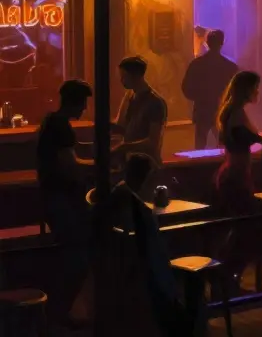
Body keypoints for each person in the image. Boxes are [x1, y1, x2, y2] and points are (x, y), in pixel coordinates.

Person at [108, 154, 190, 336]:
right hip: (145, 280)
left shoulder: (124, 197)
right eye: (153, 178)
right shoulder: (140, 212)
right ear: (145, 180)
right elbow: (156, 258)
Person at [36, 80, 93, 319]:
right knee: (79, 253)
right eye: (84, 103)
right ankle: (59, 310)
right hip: (61, 199)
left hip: (51, 197)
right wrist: (101, 166)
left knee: (73, 251)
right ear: (76, 102)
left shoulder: (52, 122)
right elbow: (70, 165)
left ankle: (59, 310)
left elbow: (73, 151)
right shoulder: (61, 126)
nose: (85, 109)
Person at [214, 71, 262, 287]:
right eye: (255, 86)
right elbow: (246, 137)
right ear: (246, 88)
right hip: (235, 176)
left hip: (235, 174)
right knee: (247, 228)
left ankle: (226, 277)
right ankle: (225, 275)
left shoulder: (234, 111)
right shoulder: (235, 113)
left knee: (242, 227)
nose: (257, 91)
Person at [181, 28, 240, 150]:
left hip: (202, 110)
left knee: (200, 145)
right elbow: (237, 90)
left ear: (207, 43)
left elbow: (186, 88)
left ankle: (199, 167)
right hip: (222, 110)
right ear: (222, 42)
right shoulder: (230, 66)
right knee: (224, 146)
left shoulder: (196, 64)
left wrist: (200, 98)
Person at [113, 56, 167, 165]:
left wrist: (124, 147)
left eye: (124, 76)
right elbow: (120, 125)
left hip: (147, 164)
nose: (121, 80)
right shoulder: (129, 96)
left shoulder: (155, 102)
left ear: (136, 76)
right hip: (130, 160)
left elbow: (153, 142)